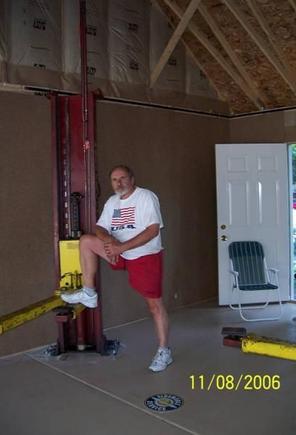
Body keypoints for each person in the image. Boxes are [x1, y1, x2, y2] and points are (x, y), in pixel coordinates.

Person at [61, 165, 172, 372]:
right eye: (114, 179)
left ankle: (164, 350)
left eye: (122, 178)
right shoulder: (112, 202)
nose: (118, 183)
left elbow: (153, 231)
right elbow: (100, 228)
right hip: (120, 252)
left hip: (144, 256)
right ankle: (89, 292)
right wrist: (110, 241)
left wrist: (120, 247)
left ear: (132, 178)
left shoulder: (146, 197)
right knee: (86, 241)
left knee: (154, 306)